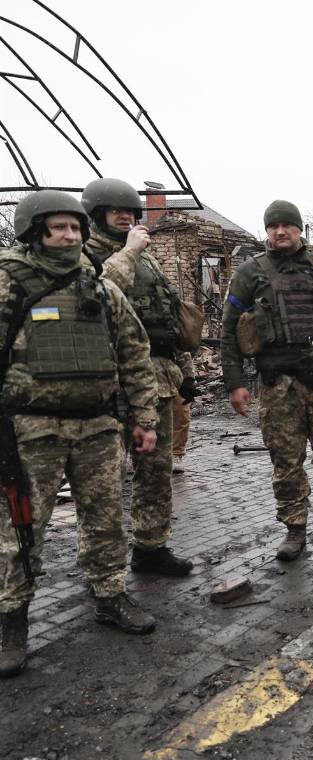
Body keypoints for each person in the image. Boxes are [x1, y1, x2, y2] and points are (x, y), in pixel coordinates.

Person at [0, 191, 162, 677]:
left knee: (106, 518)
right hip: (30, 431)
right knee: (21, 528)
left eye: (75, 228)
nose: (69, 236)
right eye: (58, 228)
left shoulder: (101, 288)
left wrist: (145, 419)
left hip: (98, 427)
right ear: (35, 233)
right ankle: (12, 618)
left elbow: (135, 353)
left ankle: (110, 595)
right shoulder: (8, 284)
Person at [220, 201, 313, 562]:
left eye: (287, 225)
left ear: (299, 229)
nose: (280, 231)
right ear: (267, 231)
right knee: (286, 461)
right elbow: (229, 330)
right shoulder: (250, 273)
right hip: (278, 384)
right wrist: (235, 383)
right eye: (273, 226)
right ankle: (294, 529)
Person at [82, 178, 195, 577]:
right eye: (116, 211)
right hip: (107, 383)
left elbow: (168, 316)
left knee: (155, 472)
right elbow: (97, 297)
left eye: (130, 211)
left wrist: (186, 370)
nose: (125, 217)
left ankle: (151, 546)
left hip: (156, 379)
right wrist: (129, 251)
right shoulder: (84, 255)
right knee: (105, 480)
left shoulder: (147, 259)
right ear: (97, 215)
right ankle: (101, 564)